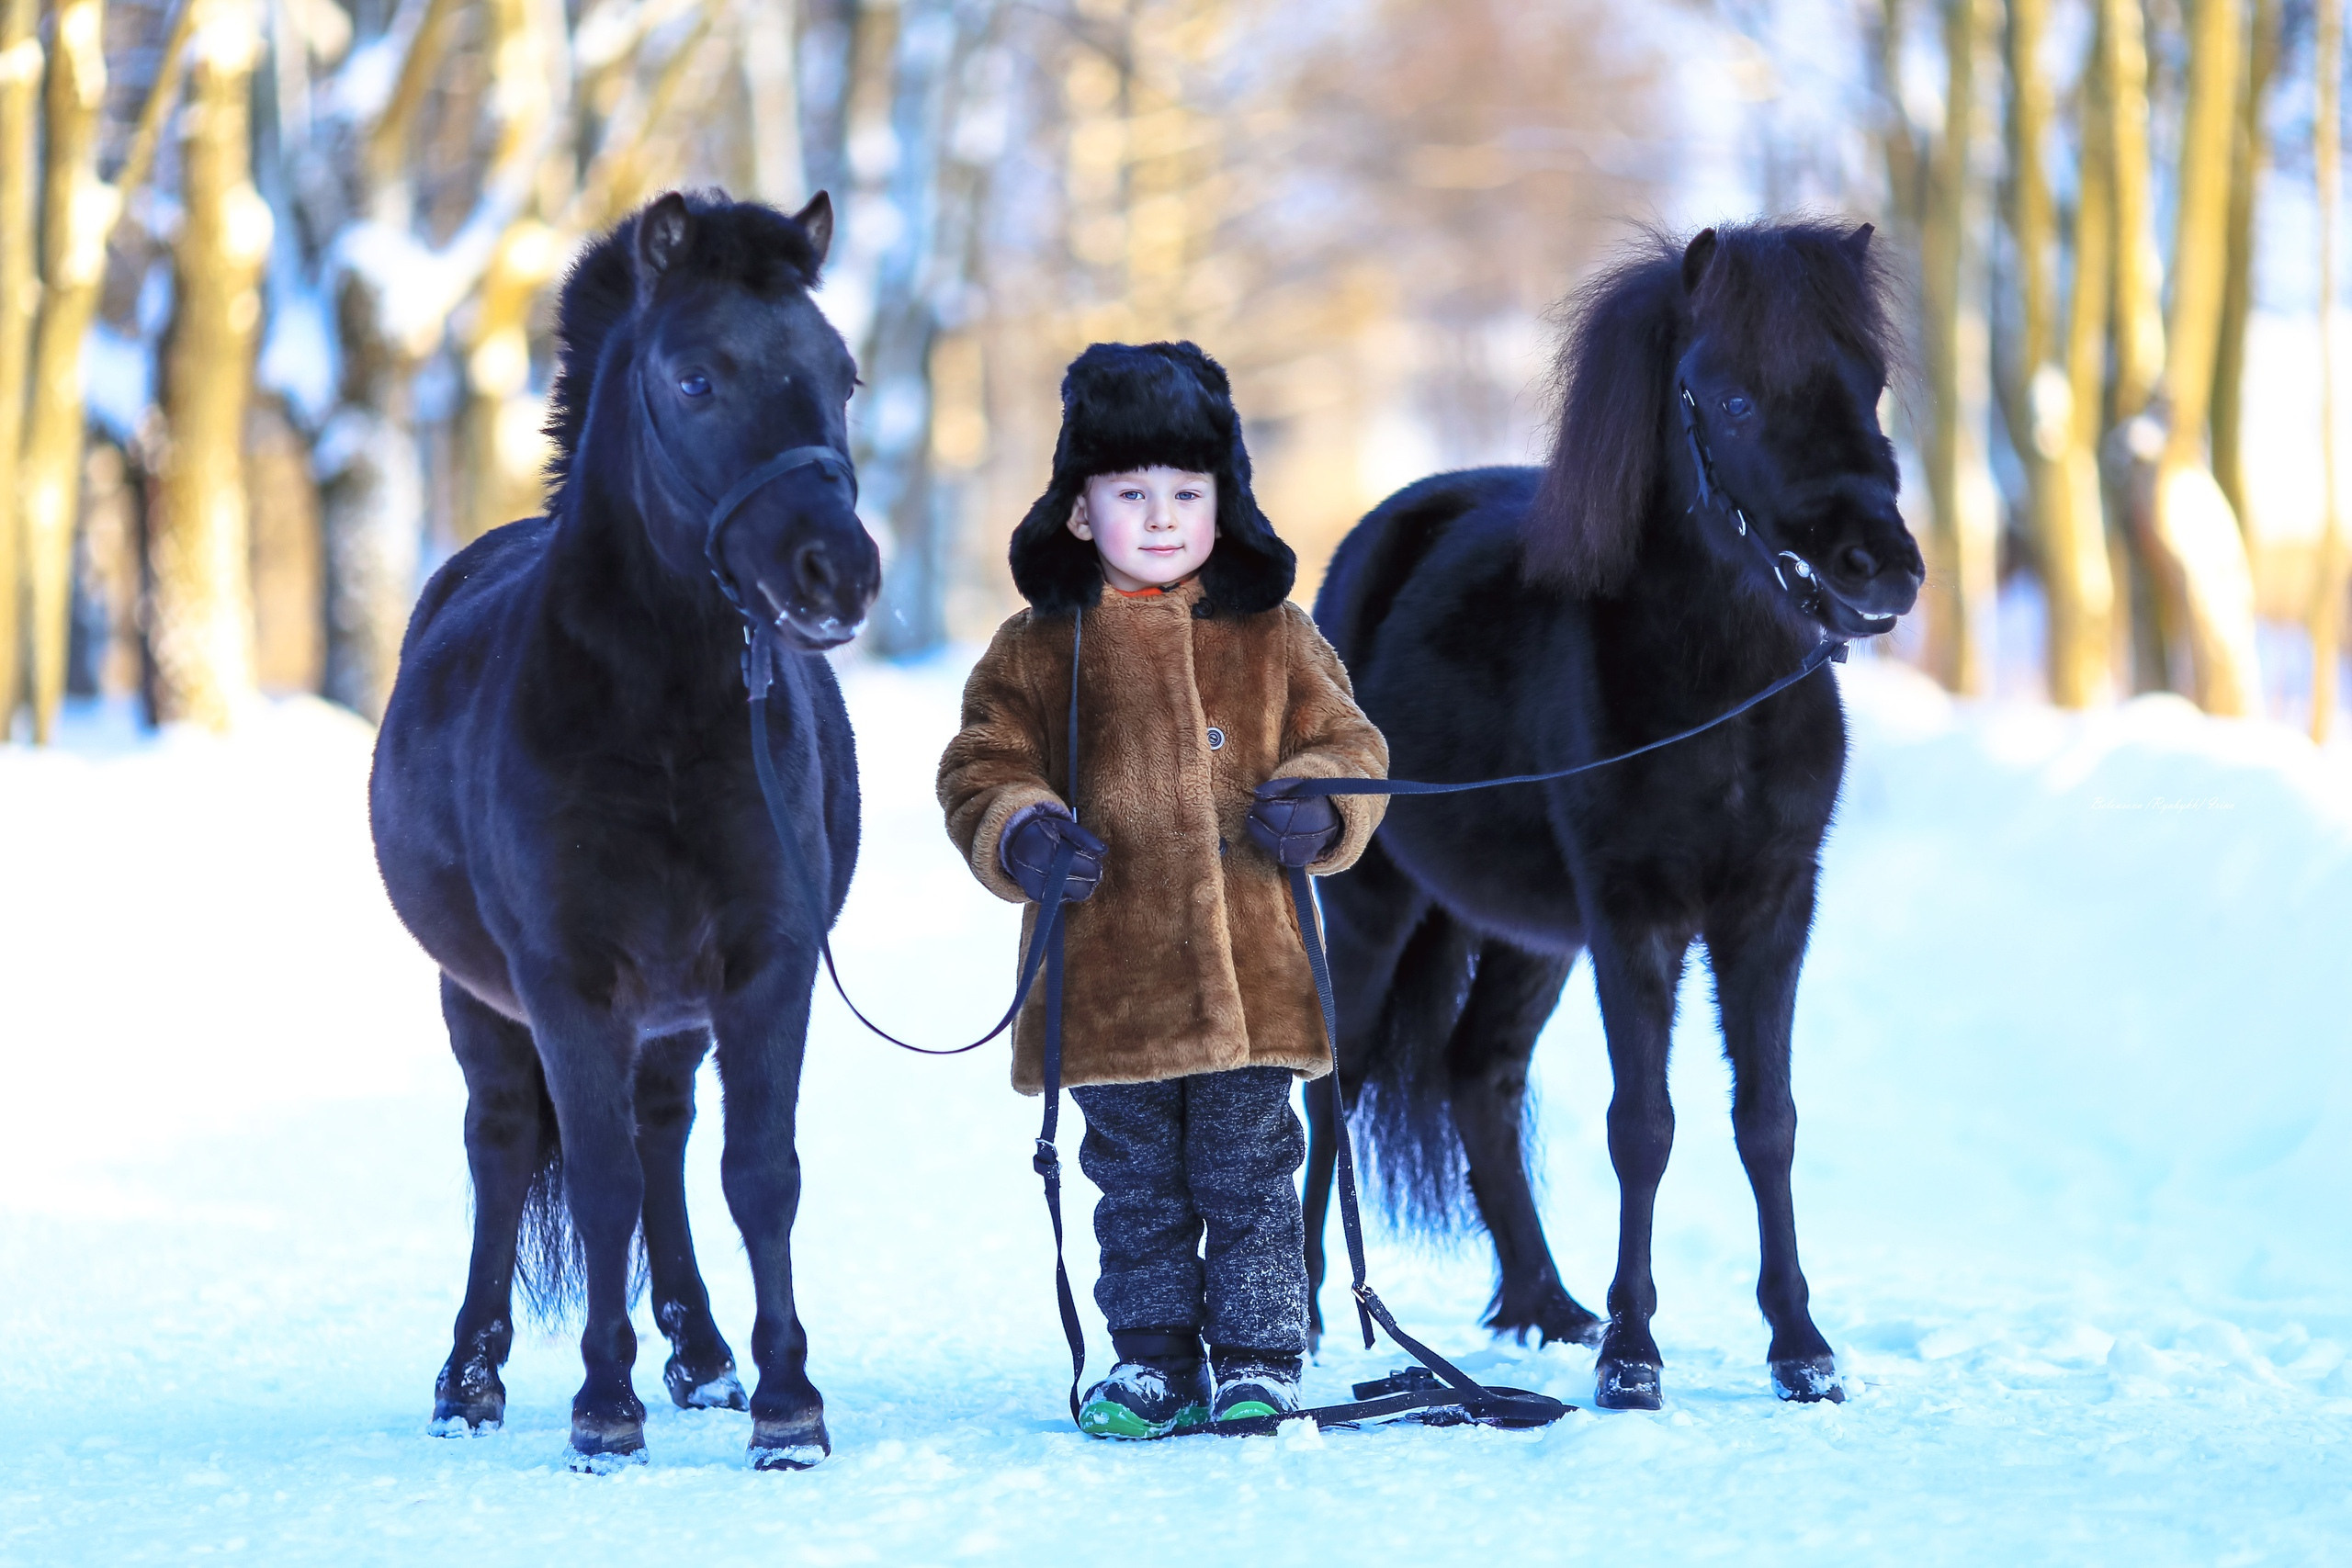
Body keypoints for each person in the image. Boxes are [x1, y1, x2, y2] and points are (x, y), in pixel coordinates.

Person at [938, 341, 1389, 1438]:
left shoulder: (1276, 636)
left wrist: (1322, 804)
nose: (1160, 517)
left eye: (1186, 493)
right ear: (1079, 510)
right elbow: (982, 763)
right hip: (1108, 985)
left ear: (1222, 505)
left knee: (1250, 1175)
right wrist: (1021, 831)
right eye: (1130, 494)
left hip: (1253, 983)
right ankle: (1153, 1363)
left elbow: (1352, 743)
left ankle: (1260, 1360)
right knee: (1135, 1185)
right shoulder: (1037, 648)